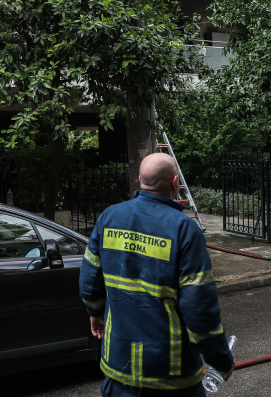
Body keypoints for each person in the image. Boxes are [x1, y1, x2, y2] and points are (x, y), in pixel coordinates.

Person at [79, 153, 234, 397]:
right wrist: (220, 358)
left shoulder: (109, 217)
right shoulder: (185, 229)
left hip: (118, 366)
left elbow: (90, 280)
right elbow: (199, 308)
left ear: (139, 180)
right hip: (170, 374)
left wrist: (94, 313)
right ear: (175, 183)